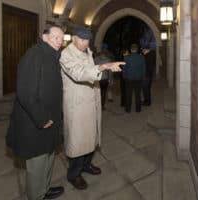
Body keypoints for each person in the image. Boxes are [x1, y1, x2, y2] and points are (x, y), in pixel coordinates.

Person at [60, 26, 123, 190]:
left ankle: (86, 165)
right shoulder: (66, 55)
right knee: (78, 141)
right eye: (82, 39)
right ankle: (74, 174)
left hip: (91, 101)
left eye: (87, 39)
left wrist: (107, 66)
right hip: (77, 104)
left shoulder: (87, 51)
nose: (85, 43)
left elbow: (91, 71)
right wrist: (102, 67)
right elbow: (79, 74)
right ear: (73, 38)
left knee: (91, 137)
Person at [6, 25, 65, 200]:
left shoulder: (51, 56)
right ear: (44, 37)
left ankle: (44, 190)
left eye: (61, 38)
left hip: (49, 120)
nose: (60, 41)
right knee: (37, 164)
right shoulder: (34, 55)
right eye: (56, 37)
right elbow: (25, 93)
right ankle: (36, 195)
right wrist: (42, 118)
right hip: (35, 123)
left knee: (48, 158)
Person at [123, 43, 146, 113]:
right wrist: (143, 76)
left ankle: (128, 109)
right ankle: (138, 109)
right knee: (138, 94)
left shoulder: (126, 58)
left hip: (129, 79)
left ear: (130, 49)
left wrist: (124, 77)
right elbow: (144, 68)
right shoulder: (141, 57)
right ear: (137, 49)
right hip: (138, 79)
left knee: (128, 94)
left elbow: (124, 69)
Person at [94, 43, 115, 110]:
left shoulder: (96, 58)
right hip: (105, 78)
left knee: (97, 92)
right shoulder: (109, 57)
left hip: (97, 78)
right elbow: (111, 68)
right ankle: (104, 104)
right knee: (104, 92)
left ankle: (97, 104)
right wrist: (110, 78)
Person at [140, 27, 156, 106]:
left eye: (143, 49)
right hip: (149, 74)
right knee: (147, 89)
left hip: (146, 75)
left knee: (146, 89)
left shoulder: (148, 56)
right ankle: (147, 101)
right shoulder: (151, 54)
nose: (142, 50)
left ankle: (147, 102)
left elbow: (146, 65)